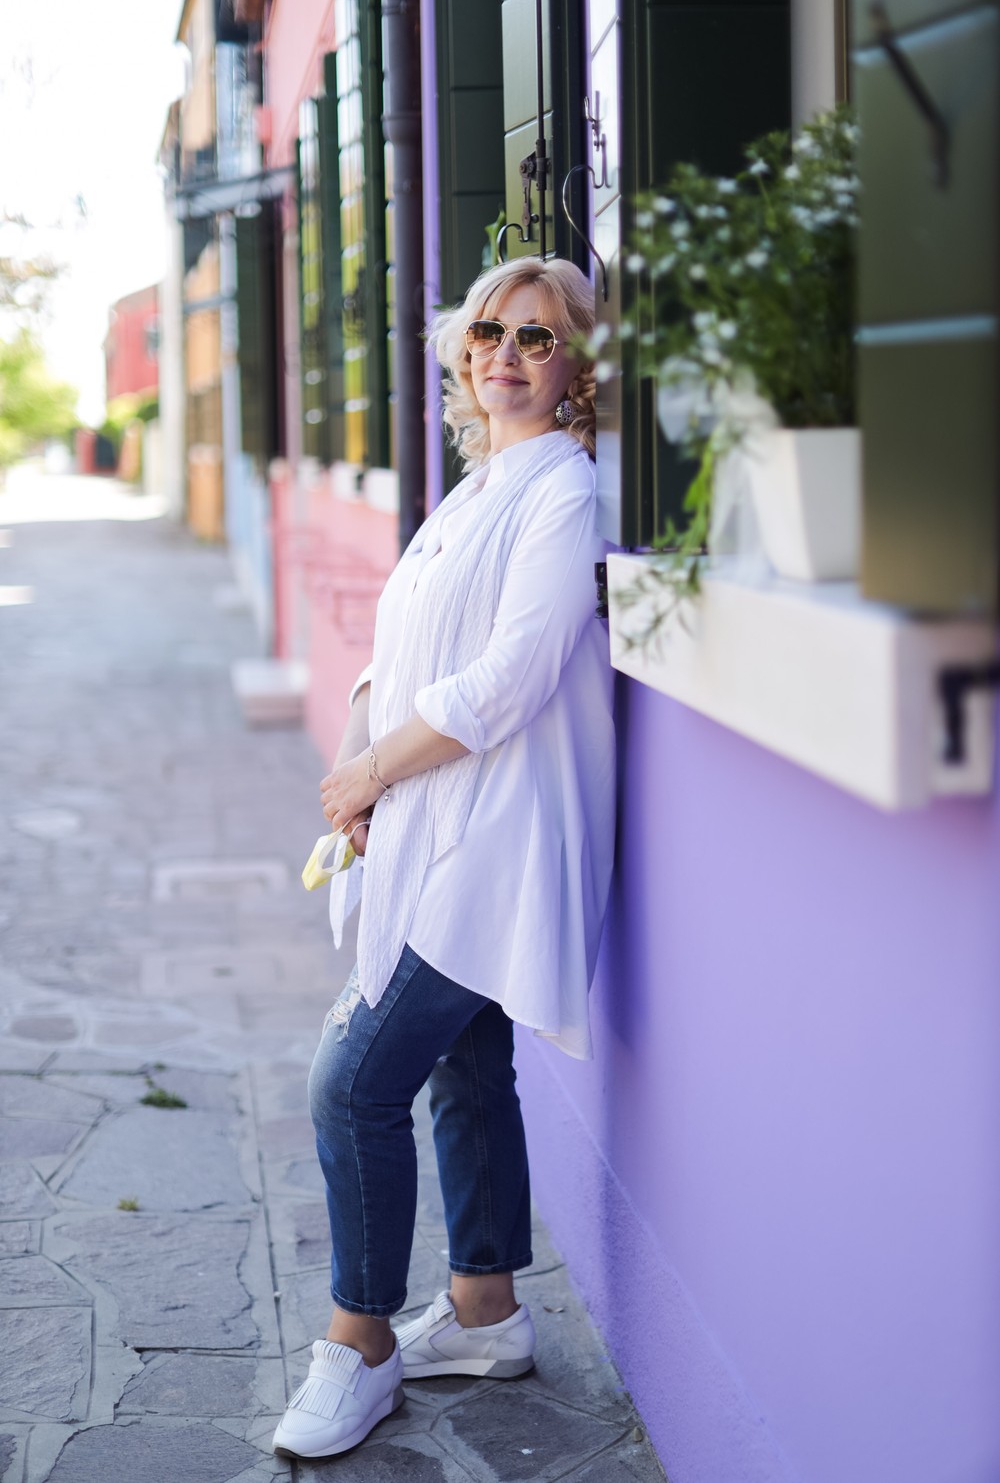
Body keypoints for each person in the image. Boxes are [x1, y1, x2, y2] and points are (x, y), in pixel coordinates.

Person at [271, 256, 616, 1460]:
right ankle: (483, 1309)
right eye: (487, 332)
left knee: (352, 1080)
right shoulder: (480, 485)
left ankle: (358, 1344)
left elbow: (510, 677)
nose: (504, 354)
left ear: (576, 364)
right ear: (461, 350)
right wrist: (364, 744)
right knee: (467, 1070)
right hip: (433, 818)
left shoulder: (561, 491)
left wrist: (374, 771)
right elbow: (405, 643)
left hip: (496, 837)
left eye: (537, 335)